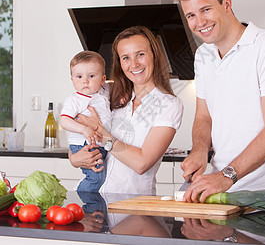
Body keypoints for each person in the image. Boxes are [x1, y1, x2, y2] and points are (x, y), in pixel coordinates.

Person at [173, 0, 265, 202]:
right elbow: (204, 117)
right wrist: (200, 149)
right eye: (191, 15)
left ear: (227, 4)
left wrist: (226, 175)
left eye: (206, 10)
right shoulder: (203, 55)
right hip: (220, 189)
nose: (199, 22)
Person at [68, 26, 184, 195]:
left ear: (154, 55)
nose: (134, 64)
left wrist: (102, 133)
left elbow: (142, 163)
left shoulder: (169, 104)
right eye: (126, 58)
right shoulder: (110, 94)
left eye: (141, 54)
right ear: (120, 63)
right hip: (91, 197)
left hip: (132, 206)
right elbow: (78, 132)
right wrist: (74, 159)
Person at [60, 51, 112, 192]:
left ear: (103, 79)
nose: (85, 81)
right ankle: (85, 201)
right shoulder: (75, 100)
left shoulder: (103, 91)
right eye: (79, 76)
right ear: (72, 80)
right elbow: (64, 120)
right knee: (96, 178)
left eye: (91, 76)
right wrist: (84, 129)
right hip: (84, 144)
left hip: (100, 143)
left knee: (103, 177)